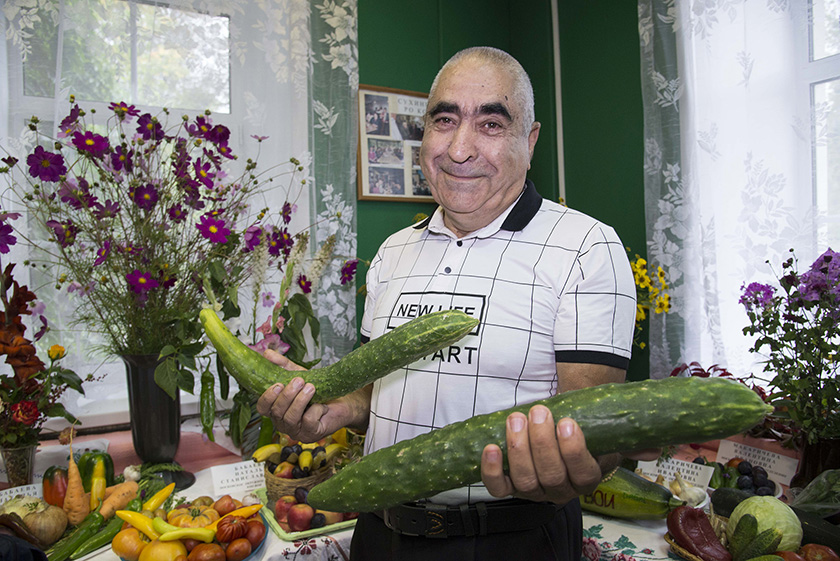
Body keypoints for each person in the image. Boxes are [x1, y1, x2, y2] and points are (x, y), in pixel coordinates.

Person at [257, 46, 656, 561]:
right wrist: (333, 411)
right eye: (445, 120)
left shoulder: (586, 247)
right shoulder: (392, 251)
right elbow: (378, 399)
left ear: (530, 140)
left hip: (512, 541)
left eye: (491, 124)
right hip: (381, 533)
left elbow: (591, 436)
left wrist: (585, 463)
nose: (460, 148)